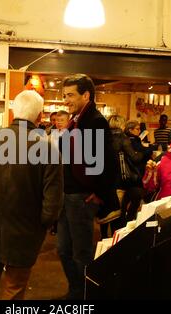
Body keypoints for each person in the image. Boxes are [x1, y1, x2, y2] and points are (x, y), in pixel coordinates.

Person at [0, 90, 63, 300]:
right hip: (25, 231)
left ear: (13, 112)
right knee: (15, 289)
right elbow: (52, 200)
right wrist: (43, 225)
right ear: (39, 117)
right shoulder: (48, 149)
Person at [57, 74, 118, 299]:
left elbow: (107, 162)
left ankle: (86, 295)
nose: (66, 100)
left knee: (81, 253)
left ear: (86, 95)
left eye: (70, 95)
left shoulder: (94, 121)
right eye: (64, 95)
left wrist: (98, 194)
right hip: (68, 196)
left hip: (81, 198)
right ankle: (76, 291)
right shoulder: (77, 120)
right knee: (63, 249)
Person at [98, 115, 143, 238]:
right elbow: (134, 158)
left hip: (103, 178)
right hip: (118, 178)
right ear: (122, 125)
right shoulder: (123, 138)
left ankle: (103, 236)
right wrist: (142, 153)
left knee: (105, 209)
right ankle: (115, 238)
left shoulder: (102, 137)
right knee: (118, 210)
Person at [121, 120, 152, 223]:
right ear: (130, 129)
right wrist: (148, 149)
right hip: (134, 173)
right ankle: (128, 221)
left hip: (128, 174)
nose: (139, 131)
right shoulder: (132, 139)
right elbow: (138, 155)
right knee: (135, 198)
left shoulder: (127, 138)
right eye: (137, 129)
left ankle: (125, 220)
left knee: (127, 199)